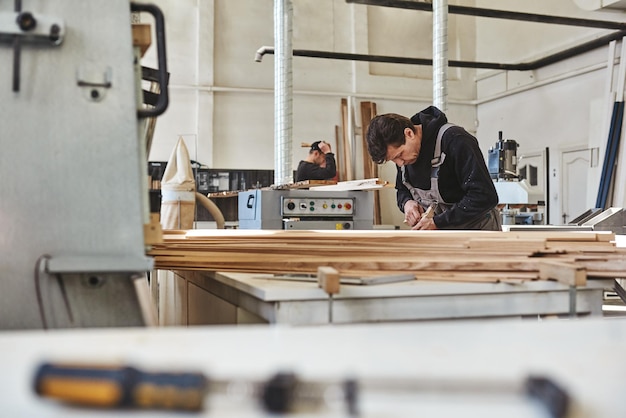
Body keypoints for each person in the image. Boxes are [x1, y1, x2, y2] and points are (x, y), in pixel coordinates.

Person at [365, 106, 501, 231]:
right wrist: (407, 203)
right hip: (442, 234)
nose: (399, 163)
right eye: (393, 160)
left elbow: (484, 196)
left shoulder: (455, 140)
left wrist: (439, 222)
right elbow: (402, 190)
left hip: (477, 232)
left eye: (400, 155)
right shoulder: (404, 158)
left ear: (409, 134)